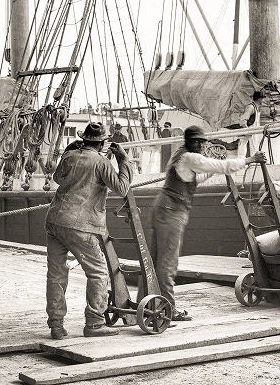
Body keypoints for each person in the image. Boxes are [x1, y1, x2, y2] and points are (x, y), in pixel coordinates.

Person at [152, 125, 265, 321]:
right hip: (172, 211)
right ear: (188, 141)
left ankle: (153, 304)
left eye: (201, 142)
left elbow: (197, 176)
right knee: (168, 263)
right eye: (196, 141)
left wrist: (212, 170)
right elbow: (221, 166)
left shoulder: (183, 156)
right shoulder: (190, 157)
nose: (199, 145)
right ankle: (167, 309)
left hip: (164, 208)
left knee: (156, 261)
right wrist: (250, 159)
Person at [45, 122, 133, 340]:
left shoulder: (70, 156)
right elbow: (122, 188)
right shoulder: (101, 162)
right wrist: (123, 159)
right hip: (80, 225)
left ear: (83, 139)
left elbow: (57, 179)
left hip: (55, 220)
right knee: (98, 272)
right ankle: (94, 323)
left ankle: (56, 326)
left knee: (56, 275)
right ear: (102, 143)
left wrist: (68, 151)